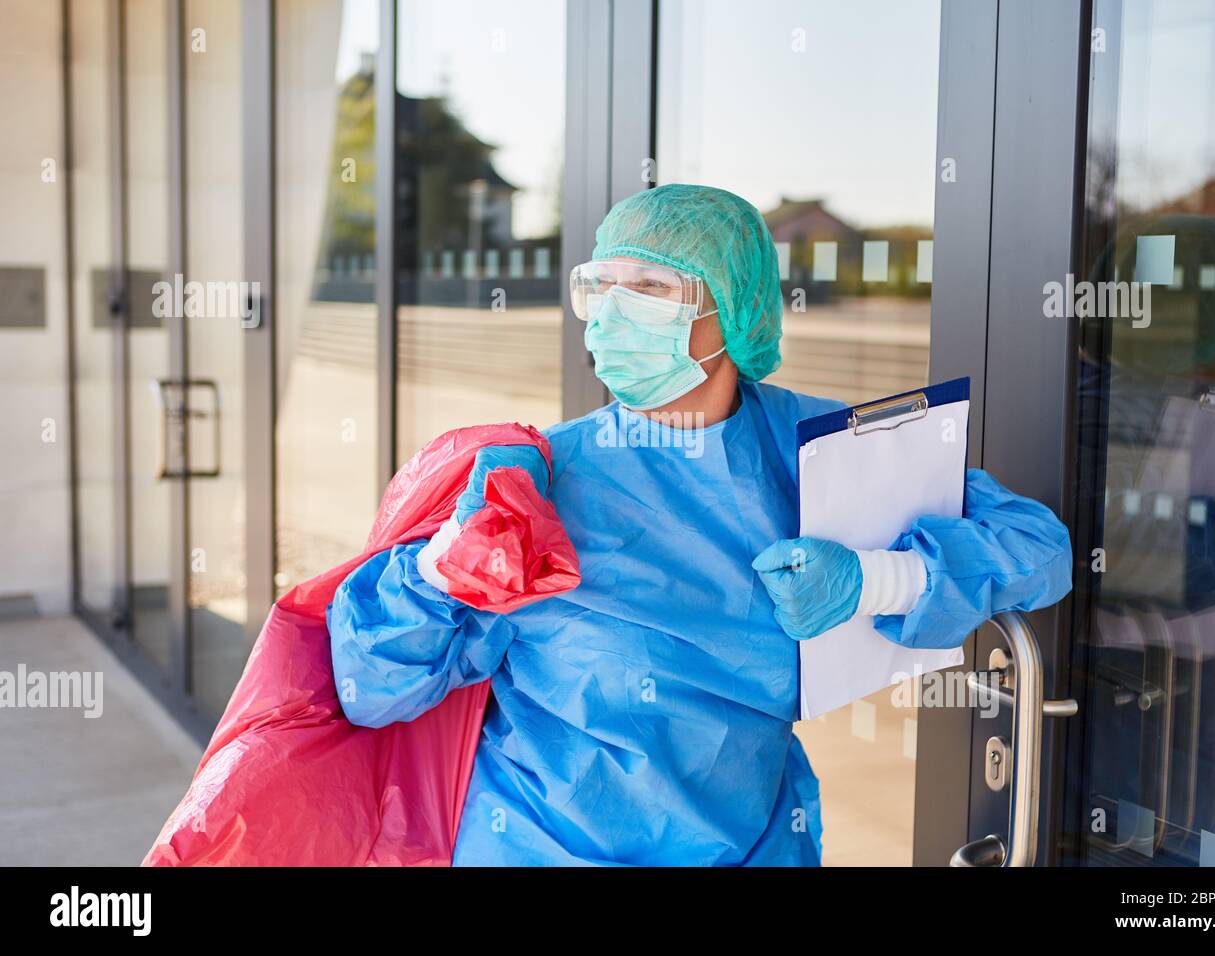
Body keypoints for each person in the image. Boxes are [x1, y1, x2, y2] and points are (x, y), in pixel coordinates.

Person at [327, 184, 1072, 865]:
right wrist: (436, 573)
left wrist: (879, 578)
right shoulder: (536, 477)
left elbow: (1040, 550)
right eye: (601, 286)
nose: (617, 311)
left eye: (650, 287)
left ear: (735, 306)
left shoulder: (819, 450)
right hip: (536, 840)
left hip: (747, 841)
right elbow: (373, 687)